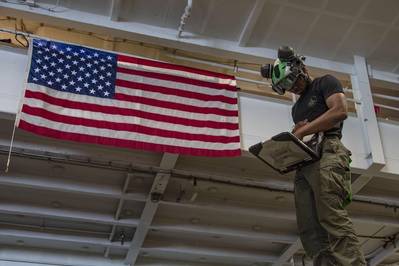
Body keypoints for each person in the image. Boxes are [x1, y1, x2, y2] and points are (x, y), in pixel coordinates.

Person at [265, 46, 366, 265]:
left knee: (332, 218)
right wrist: (291, 139)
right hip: (305, 162)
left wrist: (302, 130)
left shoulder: (325, 82)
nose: (294, 87)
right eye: (287, 85)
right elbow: (302, 133)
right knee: (309, 229)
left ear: (301, 68)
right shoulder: (296, 108)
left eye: (294, 80)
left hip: (327, 152)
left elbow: (339, 111)